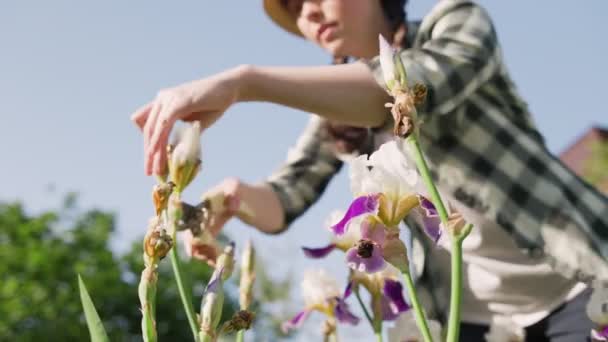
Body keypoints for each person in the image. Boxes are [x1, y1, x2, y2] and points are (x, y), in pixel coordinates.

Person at [131, 0, 608, 340]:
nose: (308, 13)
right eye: (296, 7)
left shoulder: (457, 21)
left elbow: (409, 87)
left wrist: (244, 82)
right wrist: (230, 197)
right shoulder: (334, 120)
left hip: (579, 277)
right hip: (475, 320)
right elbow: (284, 199)